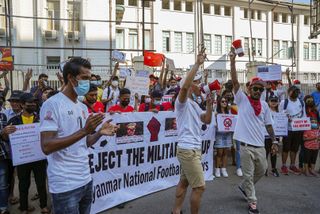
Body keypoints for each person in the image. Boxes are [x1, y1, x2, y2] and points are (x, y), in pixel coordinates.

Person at [40, 57, 118, 214]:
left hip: (85, 179)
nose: (87, 82)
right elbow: (46, 146)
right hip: (65, 185)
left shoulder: (82, 107)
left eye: (89, 78)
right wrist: (84, 130)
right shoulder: (52, 104)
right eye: (84, 78)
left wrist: (99, 133)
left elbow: (85, 142)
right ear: (70, 77)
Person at [230, 50, 278, 214]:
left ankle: (244, 188)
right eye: (255, 88)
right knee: (249, 175)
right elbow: (235, 82)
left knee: (262, 170)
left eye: (260, 89)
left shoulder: (264, 106)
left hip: (260, 145)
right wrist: (232, 61)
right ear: (249, 89)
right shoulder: (242, 99)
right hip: (244, 146)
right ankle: (252, 202)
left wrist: (275, 141)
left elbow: (269, 125)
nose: (258, 91)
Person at [172, 50, 213, 214]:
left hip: (193, 149)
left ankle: (176, 211)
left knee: (184, 182)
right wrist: (197, 64)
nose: (201, 86)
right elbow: (184, 87)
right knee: (200, 187)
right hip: (188, 150)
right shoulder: (181, 103)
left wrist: (210, 105)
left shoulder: (195, 105)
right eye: (198, 83)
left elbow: (207, 120)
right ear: (190, 85)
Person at [4, 93, 50, 214]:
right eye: (30, 103)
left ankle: (44, 206)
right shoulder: (13, 121)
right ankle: (23, 208)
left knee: (41, 183)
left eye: (34, 102)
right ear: (22, 105)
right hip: (23, 158)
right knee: (23, 184)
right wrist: (5, 132)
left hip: (39, 157)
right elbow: (5, 139)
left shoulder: (41, 119)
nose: (33, 105)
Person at [279, 85, 306, 175]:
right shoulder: (284, 102)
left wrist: (303, 125)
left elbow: (304, 115)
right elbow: (280, 115)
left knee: (294, 148)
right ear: (288, 92)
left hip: (298, 130)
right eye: (293, 91)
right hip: (288, 129)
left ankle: (292, 165)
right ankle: (283, 165)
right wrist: (287, 118)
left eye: (297, 91)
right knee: (286, 148)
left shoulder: (301, 102)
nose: (295, 93)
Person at [214, 96, 232, 178]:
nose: (224, 103)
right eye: (222, 101)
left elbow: (232, 122)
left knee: (226, 152)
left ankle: (224, 169)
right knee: (219, 153)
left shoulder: (229, 112)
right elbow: (213, 124)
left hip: (227, 134)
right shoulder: (216, 113)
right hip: (219, 134)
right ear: (219, 103)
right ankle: (217, 169)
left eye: (225, 101)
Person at [265, 95, 281, 177]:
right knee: (266, 152)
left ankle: (274, 168)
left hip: (276, 136)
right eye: (272, 101)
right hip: (266, 135)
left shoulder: (280, 113)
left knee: (274, 152)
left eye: (275, 101)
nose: (274, 102)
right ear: (268, 102)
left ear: (278, 102)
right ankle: (265, 168)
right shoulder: (266, 111)